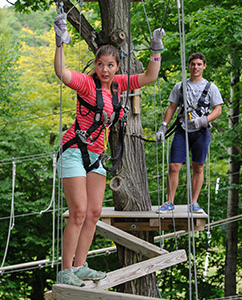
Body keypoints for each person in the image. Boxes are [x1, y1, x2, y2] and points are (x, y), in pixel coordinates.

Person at [53, 12, 165, 286]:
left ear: (117, 67)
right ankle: (66, 269)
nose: (105, 70)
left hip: (96, 155)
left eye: (110, 65)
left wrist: (155, 50)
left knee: (93, 213)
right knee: (78, 211)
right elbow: (61, 72)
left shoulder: (118, 85)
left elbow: (150, 76)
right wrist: (59, 44)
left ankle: (80, 266)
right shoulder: (86, 83)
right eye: (100, 64)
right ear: (95, 65)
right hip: (74, 150)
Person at [156, 52, 223, 213]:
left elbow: (218, 109)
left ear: (204, 66)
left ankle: (194, 202)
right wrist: (164, 126)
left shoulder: (211, 88)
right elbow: (172, 107)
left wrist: (204, 120)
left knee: (198, 167)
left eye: (199, 64)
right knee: (174, 166)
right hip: (182, 130)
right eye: (193, 64)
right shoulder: (180, 87)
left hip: (200, 132)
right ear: (189, 66)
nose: (196, 67)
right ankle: (169, 201)